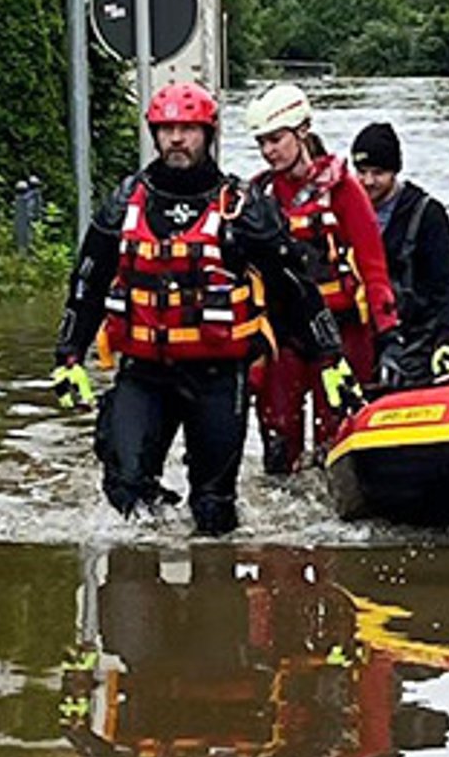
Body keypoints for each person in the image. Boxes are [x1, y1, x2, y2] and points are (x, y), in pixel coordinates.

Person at [51, 82, 360, 536]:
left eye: (188, 129)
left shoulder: (242, 209)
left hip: (217, 376)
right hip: (143, 373)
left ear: (208, 133)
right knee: (125, 492)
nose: (177, 139)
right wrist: (69, 355)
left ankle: (210, 593)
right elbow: (87, 282)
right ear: (154, 135)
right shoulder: (124, 204)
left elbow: (296, 288)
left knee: (214, 511)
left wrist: (330, 359)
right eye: (167, 129)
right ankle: (144, 583)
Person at [243, 84, 402, 475]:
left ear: (302, 132)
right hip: (283, 334)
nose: (268, 151)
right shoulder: (258, 194)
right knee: (279, 440)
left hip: (342, 333)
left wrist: (389, 336)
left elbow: (373, 268)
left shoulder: (343, 190)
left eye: (276, 140)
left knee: (339, 437)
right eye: (262, 142)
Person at [352, 122, 449, 378]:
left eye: (378, 172)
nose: (368, 181)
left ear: (395, 171)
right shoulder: (344, 212)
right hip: (363, 339)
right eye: (362, 171)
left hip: (417, 343)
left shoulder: (427, 214)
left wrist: (446, 339)